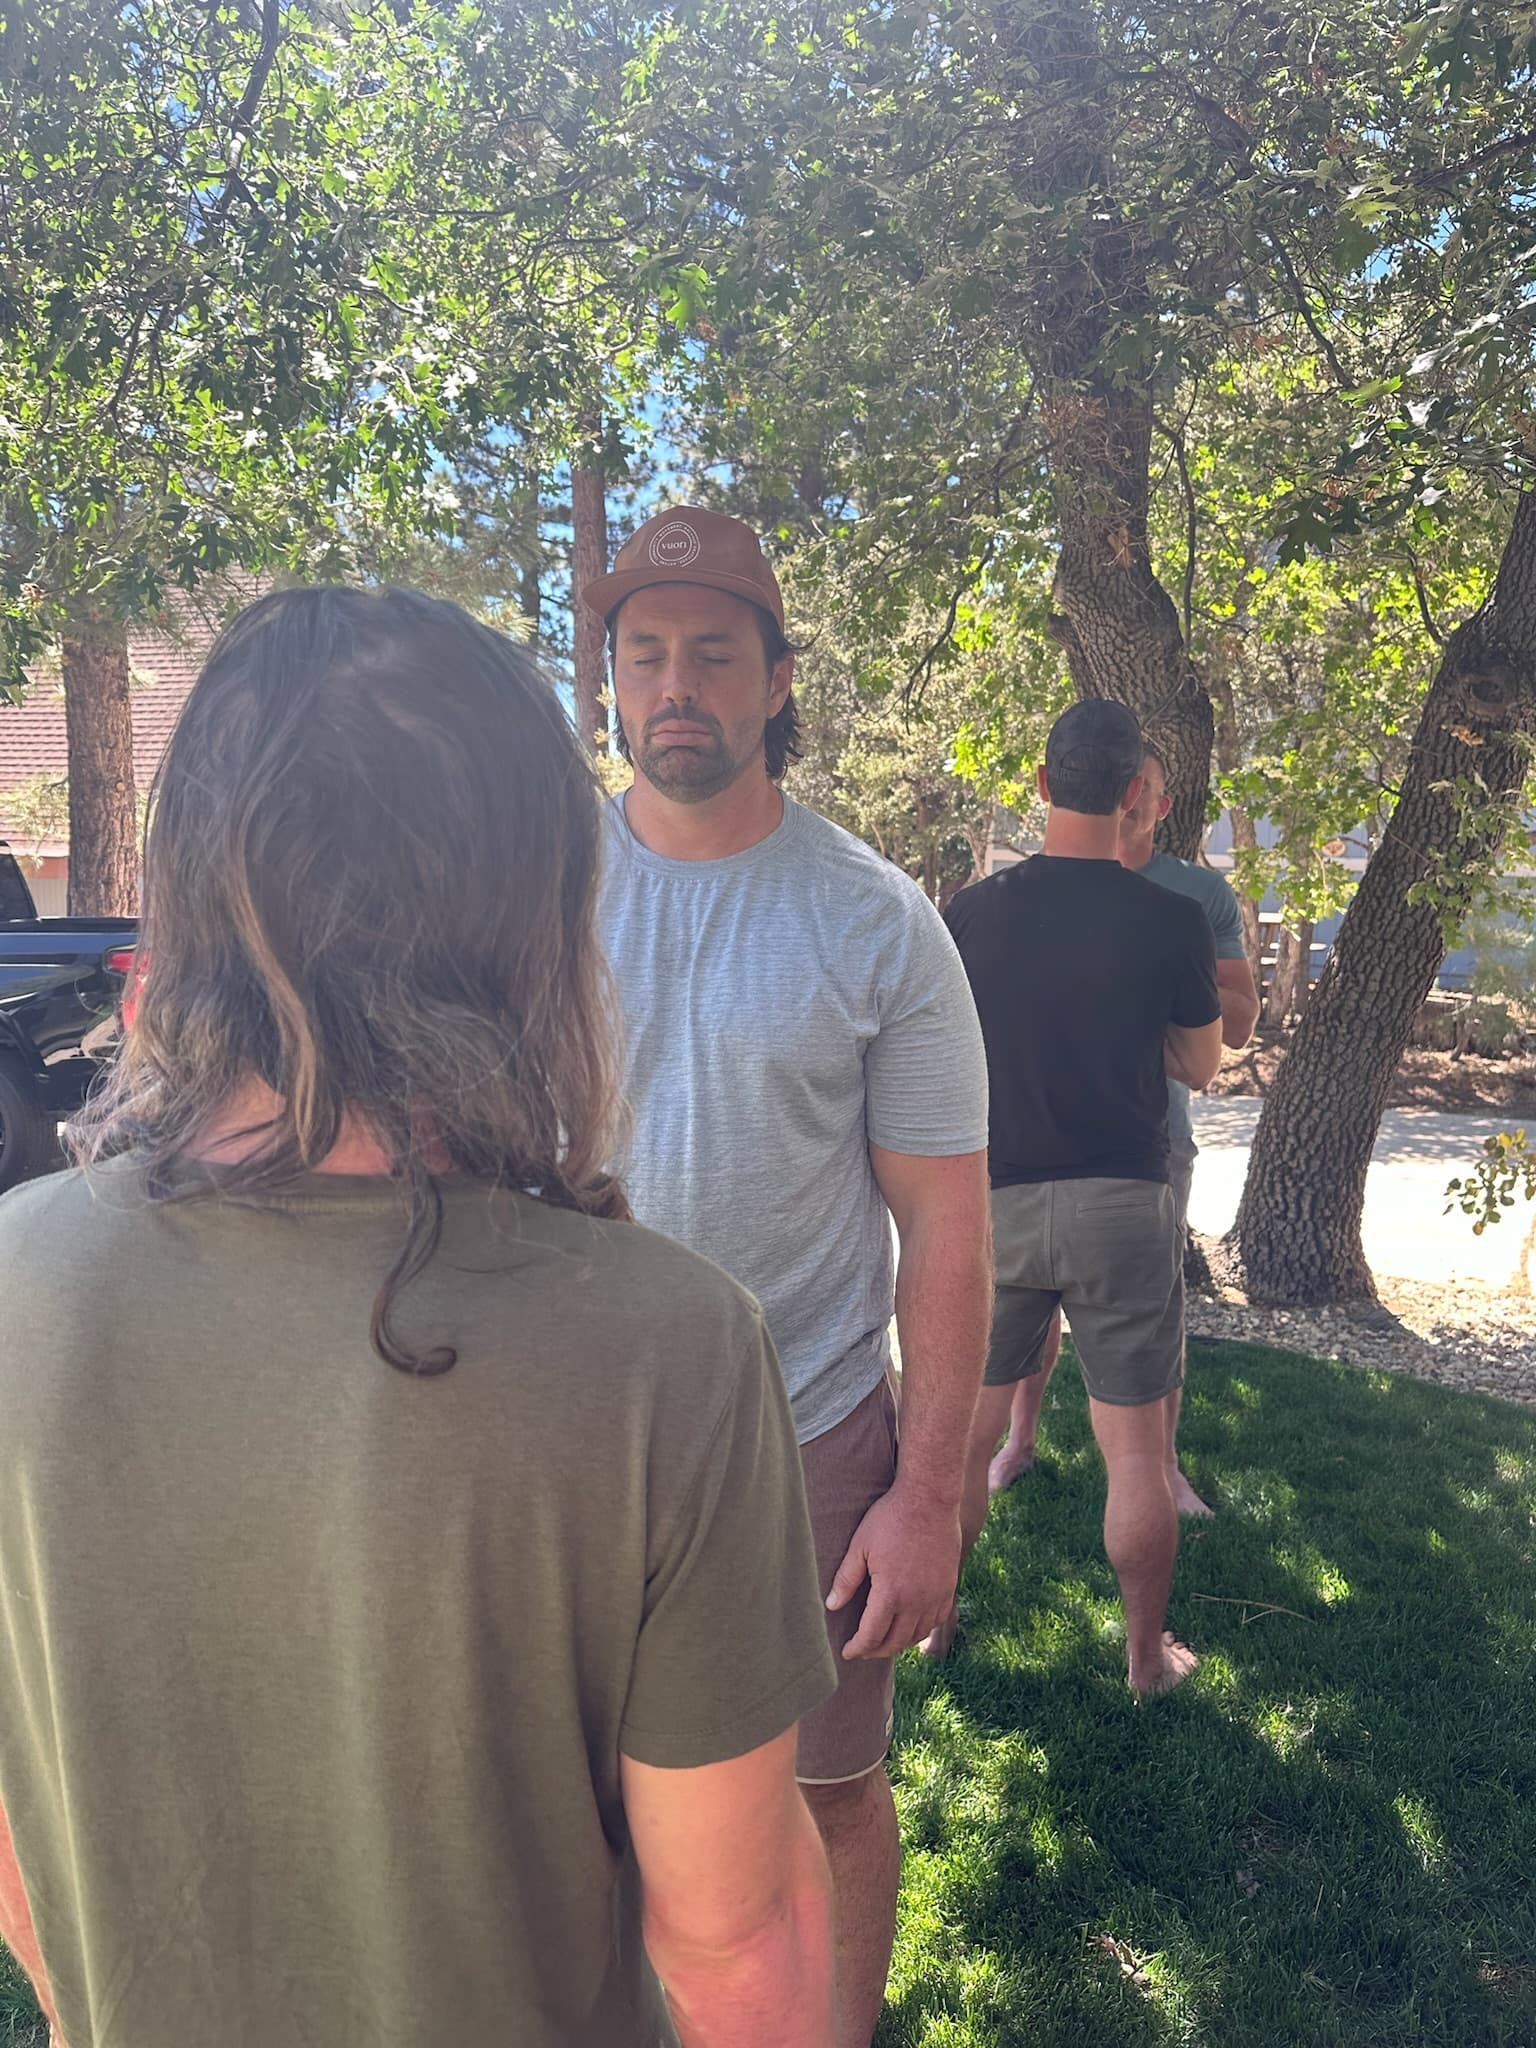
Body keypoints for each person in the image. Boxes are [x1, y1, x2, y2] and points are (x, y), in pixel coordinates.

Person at [0, 587, 838, 2048]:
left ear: (192, 895)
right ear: (537, 919)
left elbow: (21, 1846)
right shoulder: (669, 1348)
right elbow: (735, 1947)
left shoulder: (14, 1279)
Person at [586, 507, 992, 2048]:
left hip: (805, 1439)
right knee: (586, 1812)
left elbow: (948, 1225)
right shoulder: (522, 889)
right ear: (612, 685)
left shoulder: (876, 921)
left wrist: (929, 1493)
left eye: (712, 653)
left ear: (775, 682)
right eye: (646, 657)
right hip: (561, 1440)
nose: (676, 685)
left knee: (823, 1797)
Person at [942, 700, 1222, 1694]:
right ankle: (1146, 1659)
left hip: (998, 1202)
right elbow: (1199, 1058)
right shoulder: (1174, 917)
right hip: (1124, 1203)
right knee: (1137, 1452)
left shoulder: (969, 913)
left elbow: (943, 1059)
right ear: (1136, 793)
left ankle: (935, 1627)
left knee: (962, 1438)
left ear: (1044, 783)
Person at [987, 741, 1260, 1508]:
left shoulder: (1194, 900)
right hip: (1031, 1145)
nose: (1130, 800)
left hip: (1150, 1140)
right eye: (1120, 784)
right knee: (1024, 1301)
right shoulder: (1018, 896)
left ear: (1157, 802)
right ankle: (1020, 1439)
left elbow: (1235, 1025)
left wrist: (1149, 994)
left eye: (1144, 791)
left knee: (1151, 1314)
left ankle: (1161, 1468)